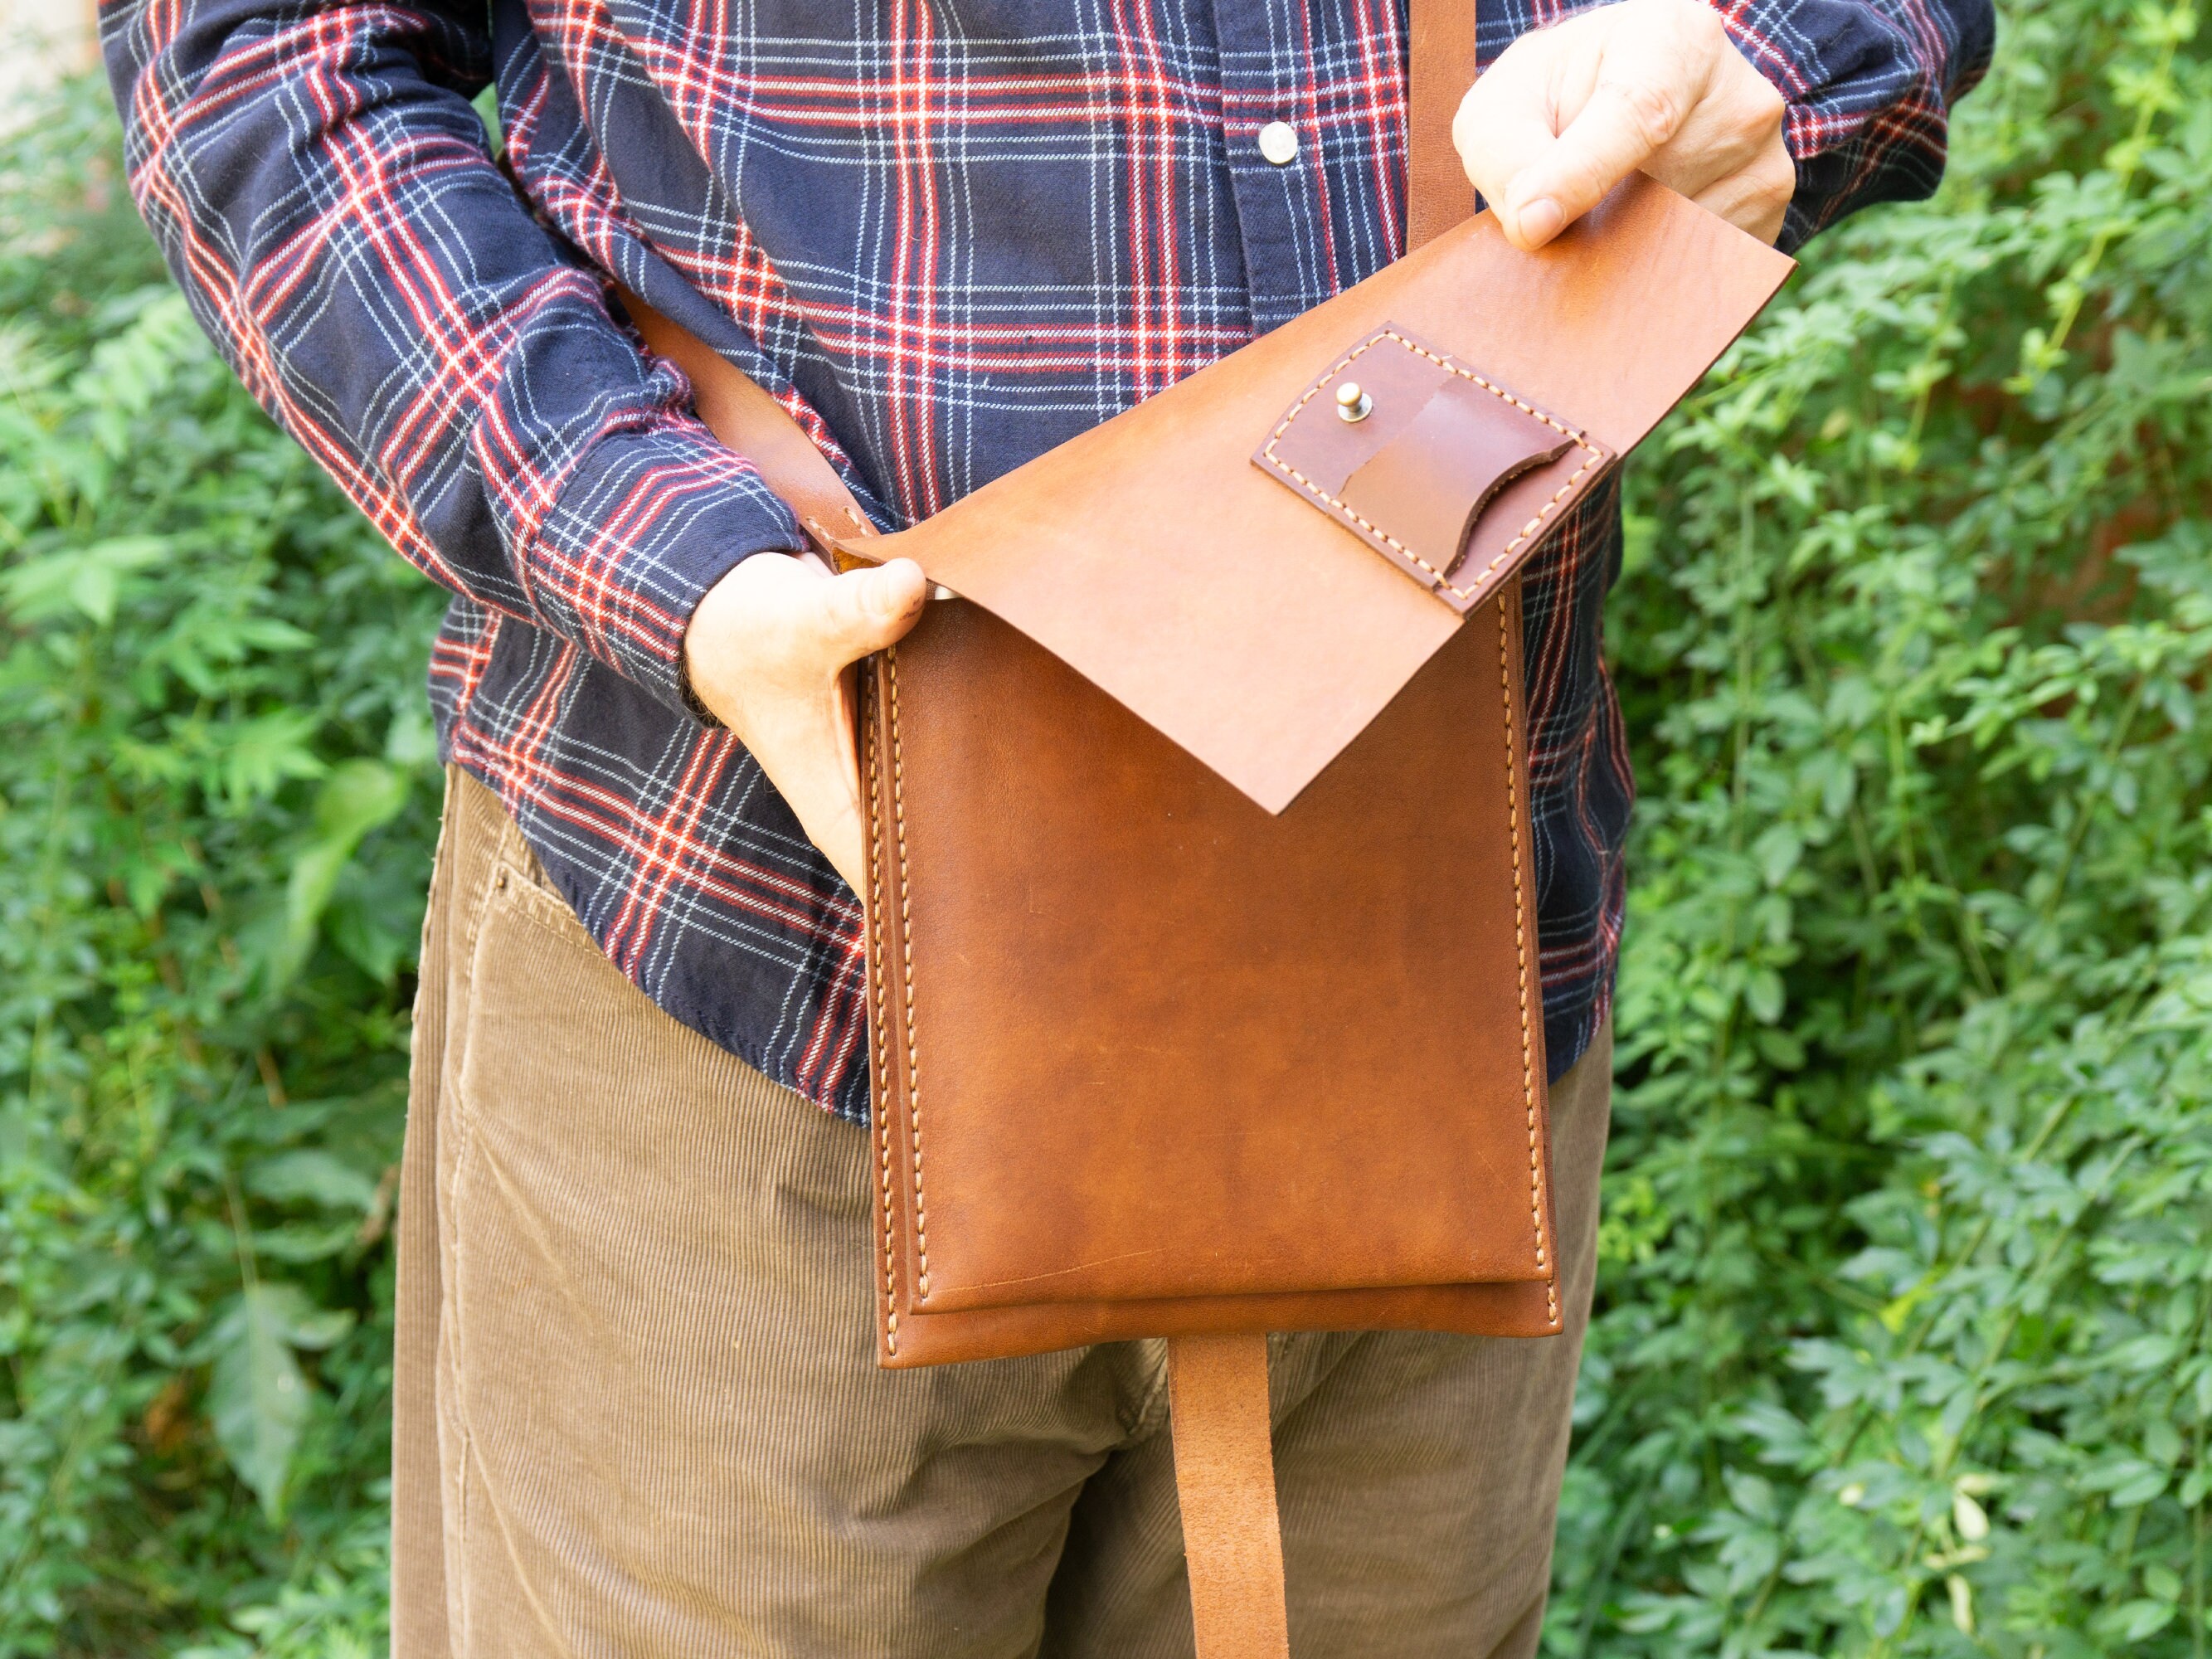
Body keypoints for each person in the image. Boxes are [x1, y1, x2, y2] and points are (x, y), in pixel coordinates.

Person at [105, 1, 1991, 1652]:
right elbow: (264, 47)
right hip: (754, 999)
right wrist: (658, 552)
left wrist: (1775, 60)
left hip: (1431, 996)